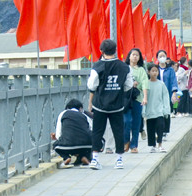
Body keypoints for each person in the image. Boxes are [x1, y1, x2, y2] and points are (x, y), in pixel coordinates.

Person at [86, 39, 133, 171]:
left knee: (97, 131)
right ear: (115, 50)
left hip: (100, 105)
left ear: (101, 51)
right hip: (117, 105)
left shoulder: (97, 66)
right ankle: (119, 159)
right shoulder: (124, 67)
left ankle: (95, 159)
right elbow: (128, 85)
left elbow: (92, 85)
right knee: (118, 131)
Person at [52, 99, 93, 167]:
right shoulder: (84, 115)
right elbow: (91, 130)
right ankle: (84, 157)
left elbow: (58, 134)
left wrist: (59, 138)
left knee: (55, 145)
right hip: (86, 145)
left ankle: (66, 158)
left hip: (68, 145)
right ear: (80, 108)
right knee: (85, 146)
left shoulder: (63, 114)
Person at [123, 48, 148, 154]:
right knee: (126, 121)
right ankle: (126, 141)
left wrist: (145, 97)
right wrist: (130, 84)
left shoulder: (141, 70)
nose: (135, 56)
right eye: (133, 54)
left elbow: (145, 83)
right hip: (125, 99)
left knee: (136, 123)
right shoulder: (124, 68)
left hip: (137, 99)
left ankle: (134, 145)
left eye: (137, 55)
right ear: (129, 56)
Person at [143, 63, 171, 152]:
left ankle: (160, 144)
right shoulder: (146, 84)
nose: (154, 73)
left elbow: (165, 97)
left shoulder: (161, 84)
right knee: (150, 129)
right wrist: (143, 111)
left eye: (156, 71)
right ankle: (153, 146)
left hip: (159, 111)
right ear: (148, 72)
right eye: (152, 71)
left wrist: (166, 110)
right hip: (149, 111)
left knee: (160, 126)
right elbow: (143, 97)